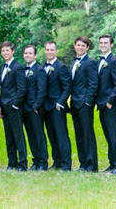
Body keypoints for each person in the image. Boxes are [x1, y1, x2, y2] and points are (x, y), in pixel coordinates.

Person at [41, 41, 72, 171]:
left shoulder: (61, 67)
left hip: (57, 106)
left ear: (56, 51)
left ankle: (66, 163)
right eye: (47, 50)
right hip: (46, 106)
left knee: (61, 135)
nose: (49, 52)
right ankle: (57, 161)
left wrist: (61, 102)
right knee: (51, 135)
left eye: (52, 50)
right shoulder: (43, 67)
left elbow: (67, 87)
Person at [96, 34, 116, 174]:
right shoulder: (101, 61)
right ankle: (112, 163)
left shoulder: (113, 61)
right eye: (101, 43)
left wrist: (110, 101)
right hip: (101, 104)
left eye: (106, 43)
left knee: (114, 135)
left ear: (111, 45)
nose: (103, 45)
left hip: (109, 105)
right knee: (108, 135)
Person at [70, 36, 98, 172]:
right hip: (74, 104)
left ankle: (91, 165)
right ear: (74, 46)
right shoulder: (74, 62)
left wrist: (87, 102)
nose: (80, 48)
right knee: (79, 135)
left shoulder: (90, 63)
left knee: (87, 134)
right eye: (78, 45)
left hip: (84, 104)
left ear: (87, 48)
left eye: (83, 46)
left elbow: (93, 84)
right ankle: (83, 163)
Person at [0, 41, 27, 171]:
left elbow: (22, 89)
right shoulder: (3, 67)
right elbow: (2, 89)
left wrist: (15, 105)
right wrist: (0, 107)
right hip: (5, 107)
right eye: (3, 51)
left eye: (7, 50)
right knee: (9, 136)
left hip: (14, 108)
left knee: (18, 135)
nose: (5, 53)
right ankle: (12, 162)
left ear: (13, 51)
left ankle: (23, 163)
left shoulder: (18, 67)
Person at [21, 45, 48, 171]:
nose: (27, 55)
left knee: (39, 135)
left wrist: (36, 106)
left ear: (35, 55)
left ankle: (43, 162)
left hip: (35, 109)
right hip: (25, 108)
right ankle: (35, 160)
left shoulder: (39, 70)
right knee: (31, 136)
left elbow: (42, 90)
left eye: (30, 53)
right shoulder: (22, 70)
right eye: (26, 53)